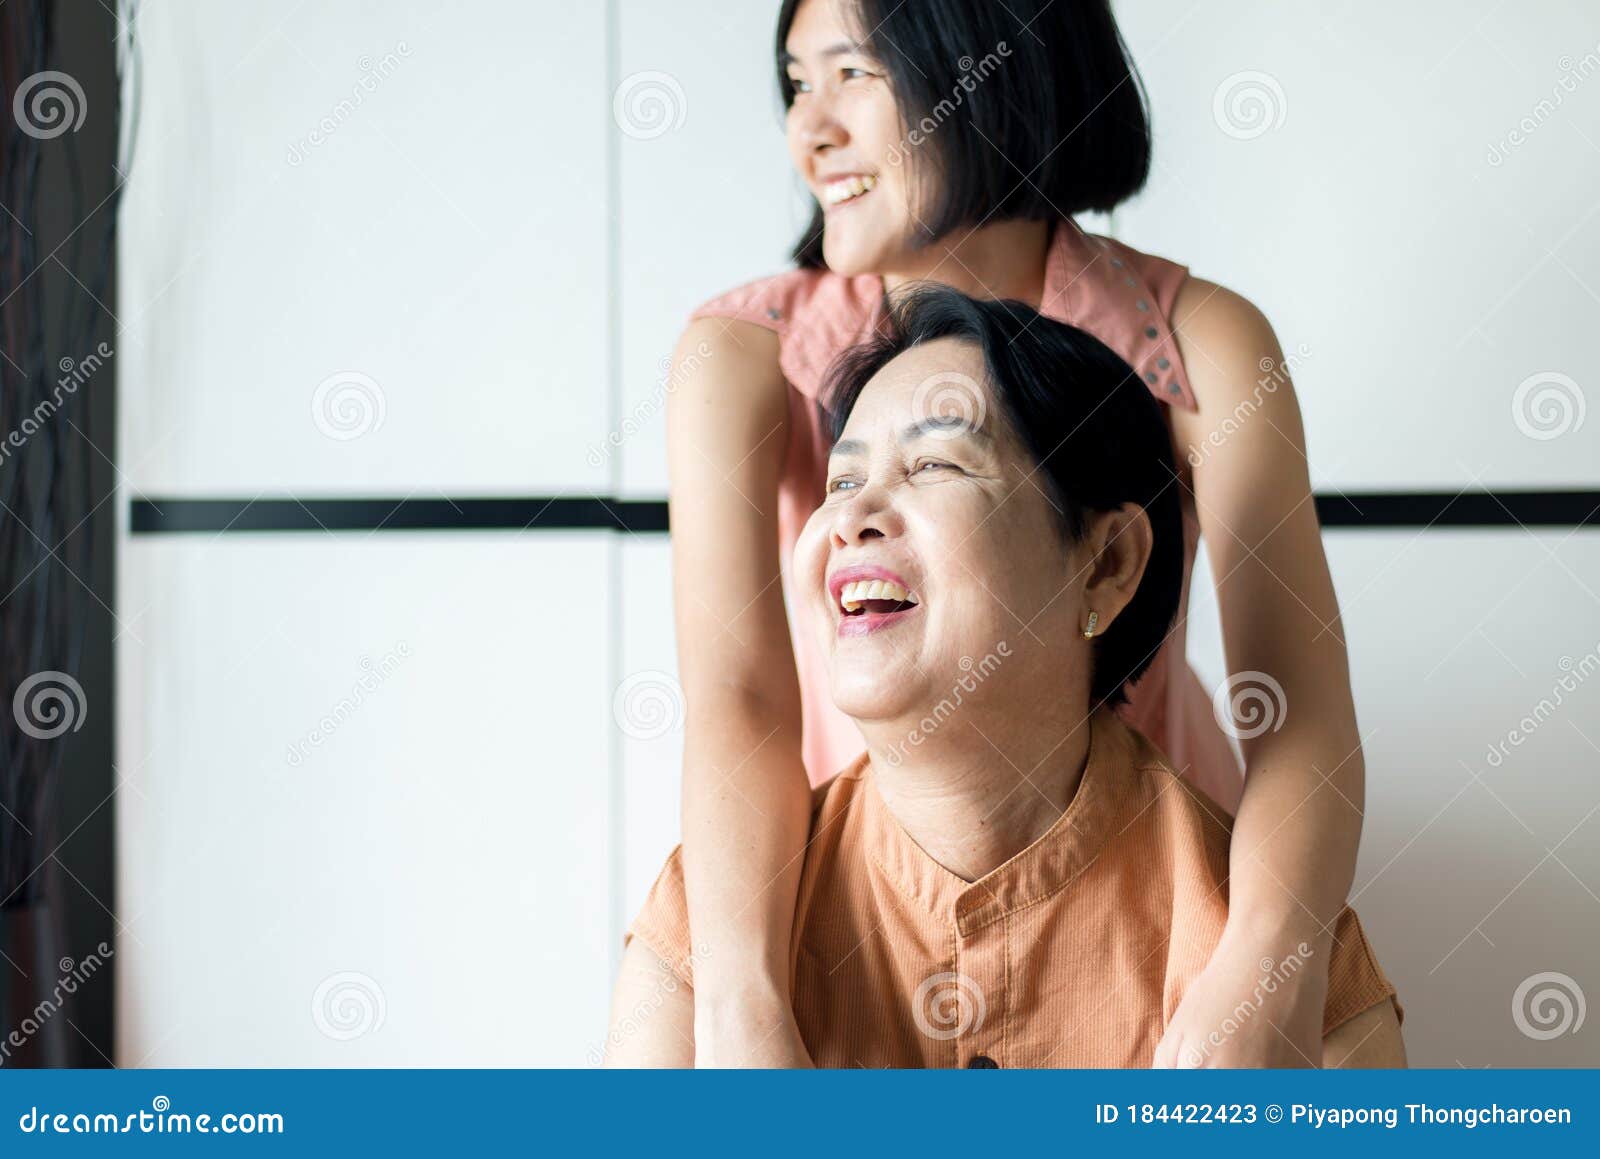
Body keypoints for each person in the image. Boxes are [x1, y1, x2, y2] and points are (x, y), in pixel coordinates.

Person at [668, 0, 1366, 1067]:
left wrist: (1258, 967)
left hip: (1157, 922)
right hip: (850, 925)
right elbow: (739, 700)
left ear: (988, 60)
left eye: (852, 72)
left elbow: (1299, 709)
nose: (807, 132)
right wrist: (745, 1004)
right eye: (796, 83)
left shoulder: (1197, 340)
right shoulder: (739, 356)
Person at [618, 287, 1403, 1067]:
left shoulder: (1283, 965)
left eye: (933, 462)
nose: (852, 518)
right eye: (843, 482)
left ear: (1107, 563)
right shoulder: (704, 944)